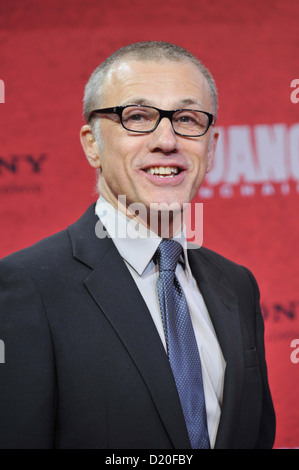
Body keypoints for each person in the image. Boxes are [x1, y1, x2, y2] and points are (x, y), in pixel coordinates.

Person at [0, 41, 275, 449]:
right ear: (92, 144)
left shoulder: (236, 285)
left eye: (186, 118)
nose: (167, 140)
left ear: (211, 146)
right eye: (139, 117)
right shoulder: (26, 287)